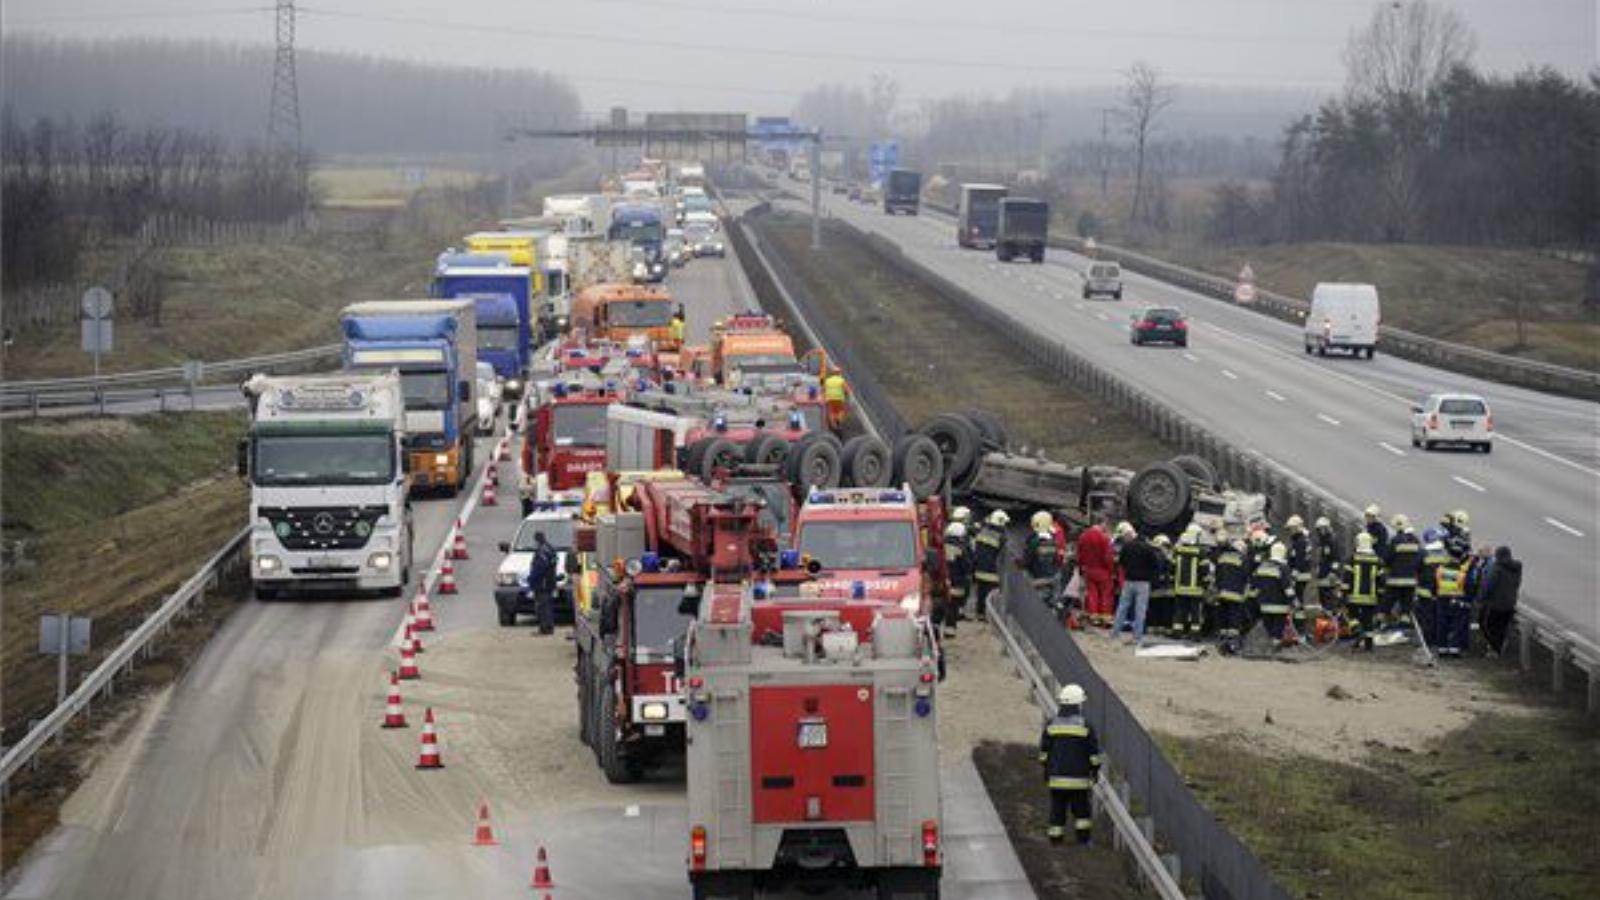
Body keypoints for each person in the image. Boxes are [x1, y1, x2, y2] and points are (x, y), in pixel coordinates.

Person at [1040, 683, 1101, 846]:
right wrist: (1095, 771)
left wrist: (1046, 770)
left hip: (1056, 779)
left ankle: (1055, 841)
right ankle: (1083, 841)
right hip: (1079, 780)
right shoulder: (1086, 726)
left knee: (1057, 810)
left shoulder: (1051, 724)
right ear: (1077, 704)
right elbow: (1094, 755)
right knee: (1082, 812)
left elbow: (1044, 752)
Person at [1110, 524, 1160, 647]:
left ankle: (1115, 634)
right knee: (1140, 611)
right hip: (1143, 583)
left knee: (1122, 608)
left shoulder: (1127, 546)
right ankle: (1137, 638)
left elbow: (1121, 562)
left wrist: (1129, 569)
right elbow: (1155, 565)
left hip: (1128, 581)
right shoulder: (1148, 548)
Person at [1475, 546, 1521, 657]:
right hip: (1510, 603)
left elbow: (1488, 585)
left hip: (1494, 604)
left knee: (1486, 624)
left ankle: (1495, 648)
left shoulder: (1496, 568)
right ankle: (1497, 649)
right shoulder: (1517, 568)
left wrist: (1480, 598)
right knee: (1501, 627)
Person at [1211, 538, 1251, 653]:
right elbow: (1246, 577)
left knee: (1223, 617)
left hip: (1222, 593)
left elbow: (1217, 574)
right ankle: (1233, 644)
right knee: (1234, 619)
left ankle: (1222, 642)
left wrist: (1217, 589)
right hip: (1236, 594)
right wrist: (1246, 594)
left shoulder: (1222, 557)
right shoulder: (1242, 559)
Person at [1343, 532, 1383, 646]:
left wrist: (1344, 593)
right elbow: (1381, 579)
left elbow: (1347, 578)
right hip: (1371, 597)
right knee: (1368, 620)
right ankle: (1368, 644)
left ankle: (1357, 630)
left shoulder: (1352, 559)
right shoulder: (1377, 560)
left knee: (1351, 615)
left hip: (1354, 597)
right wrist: (1380, 595)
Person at [1250, 541, 1295, 643]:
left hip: (1264, 604)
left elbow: (1255, 584)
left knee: (1269, 628)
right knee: (1278, 629)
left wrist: (1255, 600)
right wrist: (1293, 600)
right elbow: (1287, 587)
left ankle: (1270, 644)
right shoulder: (1283, 568)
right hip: (1280, 605)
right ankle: (1276, 644)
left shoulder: (1262, 566)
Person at [1382, 515, 1422, 626]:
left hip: (1395, 579)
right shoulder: (1416, 540)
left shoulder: (1395, 540)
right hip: (1411, 580)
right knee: (1406, 603)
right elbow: (1420, 558)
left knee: (1388, 602)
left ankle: (1383, 621)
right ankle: (1405, 622)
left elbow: (1387, 557)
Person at [1076, 520, 1116, 627]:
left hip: (1089, 570)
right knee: (1106, 595)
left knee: (1092, 594)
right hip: (1103, 571)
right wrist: (1112, 571)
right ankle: (1106, 618)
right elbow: (1108, 557)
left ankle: (1094, 617)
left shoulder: (1083, 536)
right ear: (1102, 524)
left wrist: (1081, 568)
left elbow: (1079, 555)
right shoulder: (1104, 538)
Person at [1171, 525, 1209, 638]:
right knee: (1195, 612)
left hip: (1180, 588)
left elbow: (1172, 568)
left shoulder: (1177, 550)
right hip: (1195, 589)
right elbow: (1204, 570)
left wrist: (1173, 582)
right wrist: (1205, 584)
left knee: (1179, 610)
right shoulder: (1201, 552)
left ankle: (1177, 632)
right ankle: (1195, 633)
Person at [970, 510, 1008, 621]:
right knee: (991, 595)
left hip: (979, 568)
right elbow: (1003, 555)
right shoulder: (1001, 537)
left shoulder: (982, 532)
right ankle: (990, 617)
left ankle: (980, 614)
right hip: (992, 571)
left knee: (981, 593)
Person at [941, 521, 973, 638]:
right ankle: (950, 630)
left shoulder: (941, 545)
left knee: (941, 605)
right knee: (953, 606)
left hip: (942, 579)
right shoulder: (960, 548)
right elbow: (967, 565)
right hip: (957, 581)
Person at [1024, 511, 1061, 608]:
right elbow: (1056, 559)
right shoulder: (1053, 541)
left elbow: (1027, 561)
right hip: (1053, 577)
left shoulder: (1034, 541)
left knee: (1037, 606)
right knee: (1051, 605)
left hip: (1038, 579)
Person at [527, 531, 559, 635]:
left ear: (537, 540)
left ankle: (545, 629)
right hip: (549, 582)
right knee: (548, 606)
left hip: (542, 584)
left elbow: (539, 568)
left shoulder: (542, 551)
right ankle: (548, 627)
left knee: (543, 607)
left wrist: (531, 579)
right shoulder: (550, 548)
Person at [1147, 534, 1175, 636]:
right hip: (1165, 587)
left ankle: (1154, 627)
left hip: (1158, 586)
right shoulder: (1167, 555)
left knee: (1156, 607)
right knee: (1163, 608)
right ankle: (1163, 628)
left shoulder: (1154, 554)